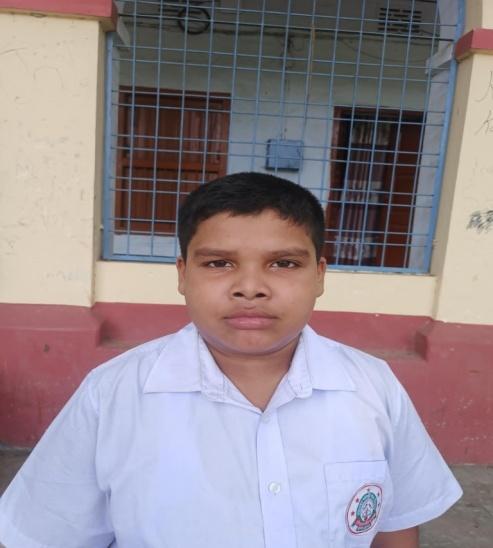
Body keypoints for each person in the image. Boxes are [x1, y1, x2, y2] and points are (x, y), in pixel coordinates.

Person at [0, 172, 461, 547]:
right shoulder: (113, 395)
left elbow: (396, 523)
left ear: (319, 275)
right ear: (182, 274)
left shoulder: (372, 387)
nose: (250, 287)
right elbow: (42, 533)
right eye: (219, 263)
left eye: (283, 263)